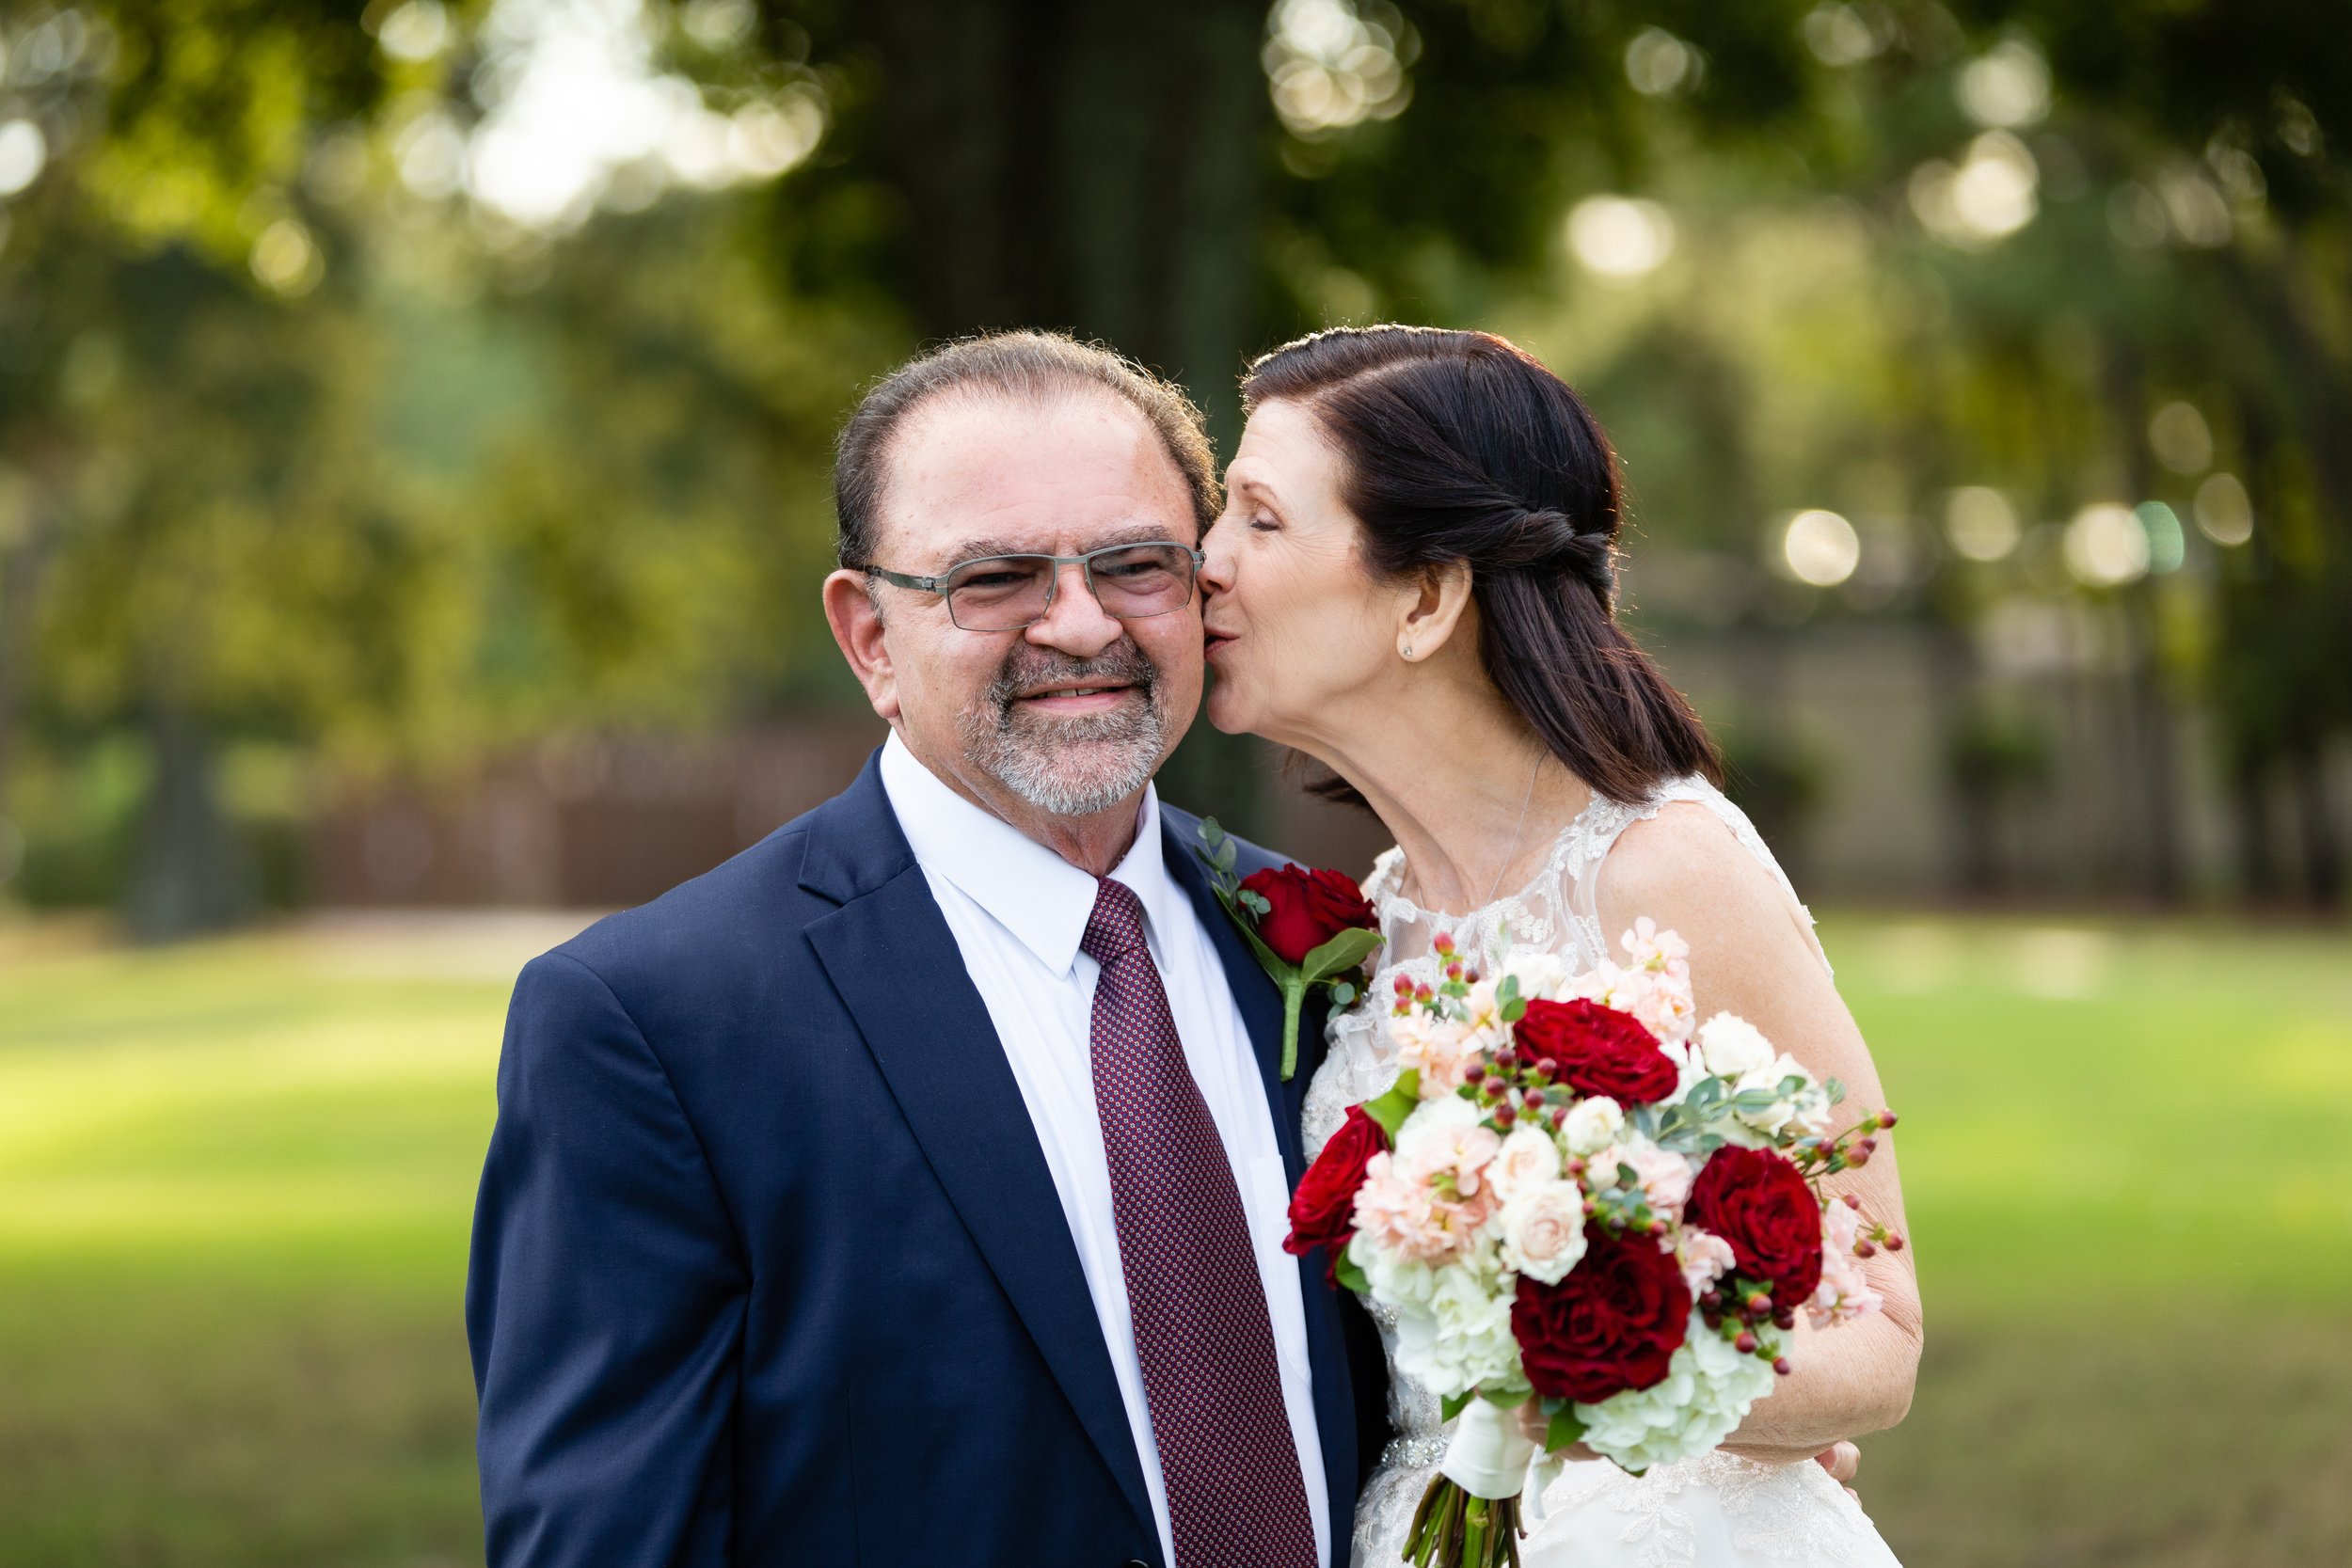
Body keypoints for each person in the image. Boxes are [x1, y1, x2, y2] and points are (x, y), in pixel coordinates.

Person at [466, 332, 1384, 1568]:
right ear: (869, 637)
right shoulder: (655, 1025)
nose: (1079, 624)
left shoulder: (1347, 952)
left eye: (1135, 565)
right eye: (994, 578)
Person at [1197, 325, 1923, 1566]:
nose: (1203, 562)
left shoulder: (1669, 871)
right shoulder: (1377, 927)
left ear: (1425, 597)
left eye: (1259, 520)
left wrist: (1615, 1373)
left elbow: (1882, 1337)